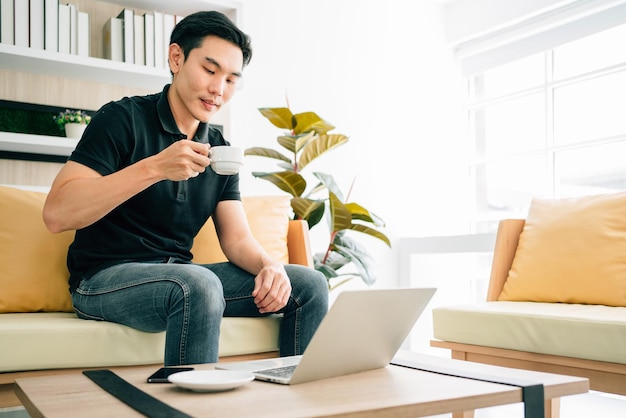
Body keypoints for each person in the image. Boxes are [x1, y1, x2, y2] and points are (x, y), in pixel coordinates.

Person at [42, 11, 328, 367]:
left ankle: (296, 401)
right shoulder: (121, 119)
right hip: (103, 280)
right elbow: (56, 214)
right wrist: (155, 167)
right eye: (210, 71)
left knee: (308, 285)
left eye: (231, 79)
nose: (218, 90)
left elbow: (237, 240)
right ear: (176, 58)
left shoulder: (219, 148)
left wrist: (270, 265)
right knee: (198, 284)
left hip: (179, 278)